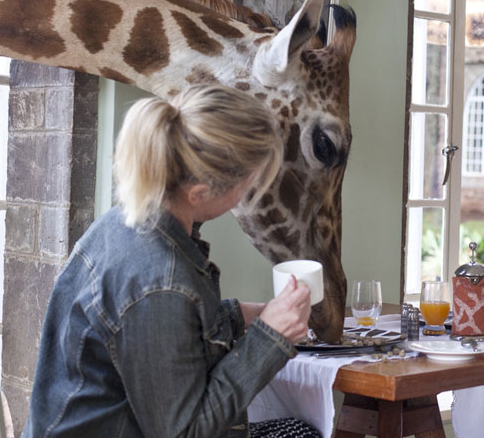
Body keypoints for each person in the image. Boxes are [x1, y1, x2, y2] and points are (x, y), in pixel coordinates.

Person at [22, 84, 318, 438]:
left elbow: (149, 343)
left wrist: (238, 316)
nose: (248, 194)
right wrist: (270, 339)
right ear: (200, 193)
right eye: (247, 186)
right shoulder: (161, 280)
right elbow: (184, 432)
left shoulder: (125, 222)